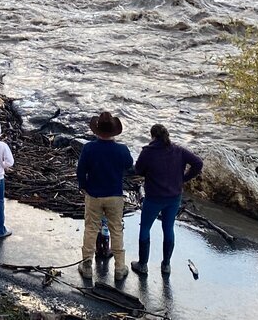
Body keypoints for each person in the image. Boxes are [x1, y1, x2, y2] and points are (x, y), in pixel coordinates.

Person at [131, 123, 203, 277]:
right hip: (174, 197)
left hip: (153, 197)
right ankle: (166, 265)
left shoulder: (148, 152)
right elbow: (198, 163)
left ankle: (143, 265)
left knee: (145, 228)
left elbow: (138, 170)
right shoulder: (179, 150)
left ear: (152, 136)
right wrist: (184, 178)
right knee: (168, 229)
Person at [76, 111, 134, 283]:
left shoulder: (88, 148)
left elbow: (81, 171)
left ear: (97, 130)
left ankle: (87, 265)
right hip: (114, 195)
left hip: (94, 194)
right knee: (116, 229)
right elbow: (129, 165)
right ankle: (119, 267)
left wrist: (84, 187)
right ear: (114, 132)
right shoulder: (121, 150)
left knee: (91, 228)